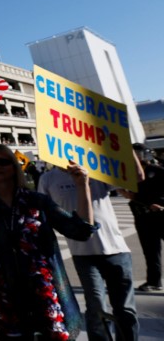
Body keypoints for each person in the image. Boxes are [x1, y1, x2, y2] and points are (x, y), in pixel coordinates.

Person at [0, 144, 95, 340]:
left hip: (44, 290)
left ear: (14, 167)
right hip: (3, 292)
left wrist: (82, 185)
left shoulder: (37, 201)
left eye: (3, 161)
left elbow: (81, 230)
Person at [39, 163, 140, 340]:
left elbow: (136, 177)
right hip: (83, 255)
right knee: (96, 307)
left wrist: (128, 142)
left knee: (125, 309)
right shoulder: (48, 179)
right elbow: (41, 213)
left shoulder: (95, 168)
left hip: (117, 250)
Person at [129, 144, 164, 292]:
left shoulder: (157, 171)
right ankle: (154, 281)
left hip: (160, 215)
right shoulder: (130, 173)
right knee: (150, 251)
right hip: (142, 216)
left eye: (138, 153)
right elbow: (131, 195)